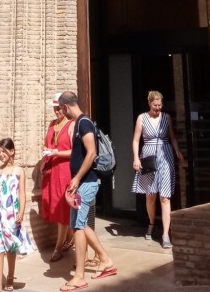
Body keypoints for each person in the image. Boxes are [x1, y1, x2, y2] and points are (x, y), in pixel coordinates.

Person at [57, 90, 117, 291]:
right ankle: (105, 260)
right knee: (79, 224)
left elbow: (91, 153)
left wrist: (76, 178)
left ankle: (80, 276)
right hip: (82, 183)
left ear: (66, 106)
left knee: (79, 227)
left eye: (61, 109)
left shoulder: (84, 123)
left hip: (86, 183)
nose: (61, 113)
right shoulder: (79, 124)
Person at [131, 89, 184, 248]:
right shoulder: (142, 118)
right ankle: (152, 223)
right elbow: (135, 140)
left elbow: (172, 136)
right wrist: (135, 158)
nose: (157, 108)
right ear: (149, 103)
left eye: (160, 105)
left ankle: (166, 234)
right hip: (148, 156)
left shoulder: (166, 117)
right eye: (155, 105)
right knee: (151, 195)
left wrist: (177, 151)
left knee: (165, 196)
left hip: (165, 154)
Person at [0, 138, 36, 292]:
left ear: (12, 151)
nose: (1, 154)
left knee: (11, 249)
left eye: (3, 151)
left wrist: (21, 212)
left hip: (12, 216)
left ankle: (10, 276)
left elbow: (22, 193)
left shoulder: (19, 171)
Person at [40, 93, 75, 260]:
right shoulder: (52, 124)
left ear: (65, 107)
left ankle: (58, 247)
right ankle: (69, 238)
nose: (56, 111)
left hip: (64, 170)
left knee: (62, 208)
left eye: (58, 108)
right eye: (54, 108)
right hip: (52, 169)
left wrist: (57, 152)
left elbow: (75, 151)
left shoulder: (71, 124)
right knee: (54, 205)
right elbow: (48, 144)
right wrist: (44, 159)